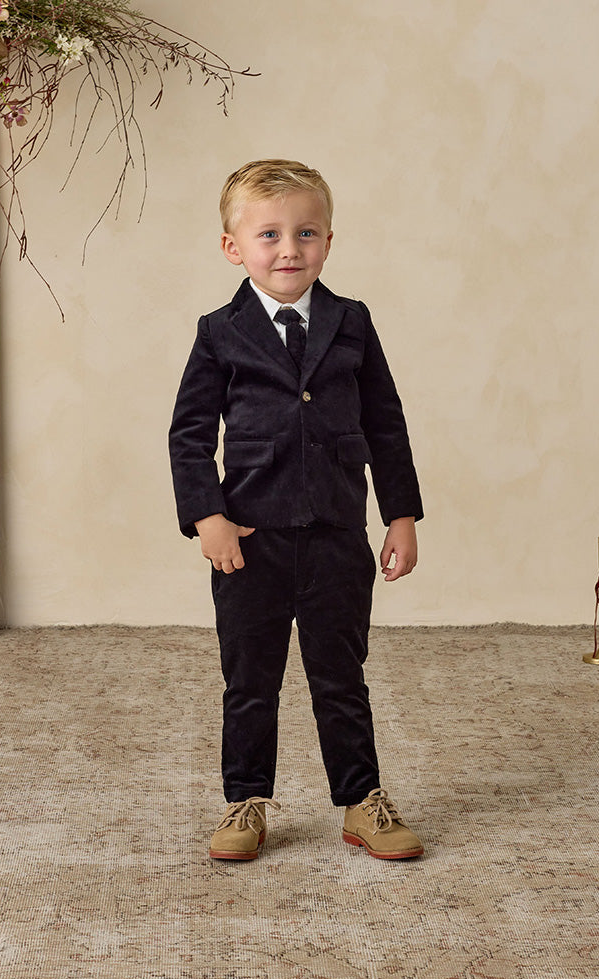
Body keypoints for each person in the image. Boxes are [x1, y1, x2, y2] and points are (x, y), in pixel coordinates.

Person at [169, 159, 424, 861]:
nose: (289, 250)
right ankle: (244, 800)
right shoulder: (220, 331)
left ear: (329, 242)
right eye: (270, 234)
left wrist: (400, 514)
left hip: (338, 533)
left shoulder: (351, 323)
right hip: (249, 538)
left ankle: (360, 799)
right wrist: (206, 515)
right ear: (233, 247)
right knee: (250, 676)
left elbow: (386, 421)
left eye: (306, 233)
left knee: (341, 674)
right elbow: (190, 432)